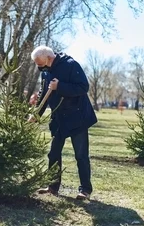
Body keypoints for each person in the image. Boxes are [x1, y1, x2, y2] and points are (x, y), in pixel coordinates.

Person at [29, 45, 97, 200]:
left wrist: (60, 86)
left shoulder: (71, 65)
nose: (39, 67)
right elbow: (43, 94)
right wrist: (36, 114)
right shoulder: (45, 71)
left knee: (81, 155)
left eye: (40, 63)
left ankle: (85, 190)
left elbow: (83, 87)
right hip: (59, 117)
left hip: (77, 117)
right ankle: (52, 187)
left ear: (49, 58)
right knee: (53, 153)